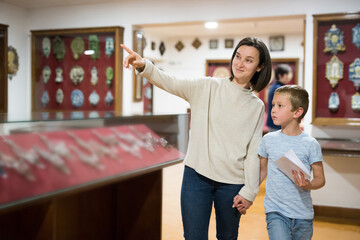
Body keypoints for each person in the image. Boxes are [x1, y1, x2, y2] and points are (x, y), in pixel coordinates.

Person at [122, 36, 272, 240]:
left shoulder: (256, 106)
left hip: (232, 183)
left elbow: (254, 151)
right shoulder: (207, 87)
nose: (239, 63)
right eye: (237, 56)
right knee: (193, 237)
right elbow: (171, 82)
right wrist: (145, 66)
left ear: (259, 67)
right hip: (196, 177)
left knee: (227, 236)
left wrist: (250, 191)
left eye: (248, 60)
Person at [247, 85, 325, 240]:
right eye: (273, 105)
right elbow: (262, 172)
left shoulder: (311, 144)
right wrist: (247, 195)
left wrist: (308, 184)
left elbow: (320, 179)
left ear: (297, 112)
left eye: (280, 106)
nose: (273, 110)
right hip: (275, 212)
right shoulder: (268, 140)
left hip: (303, 215)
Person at [266, 64, 293, 132]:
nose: (290, 77)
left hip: (275, 122)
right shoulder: (278, 89)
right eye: (288, 74)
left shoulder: (277, 86)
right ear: (280, 76)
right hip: (276, 123)